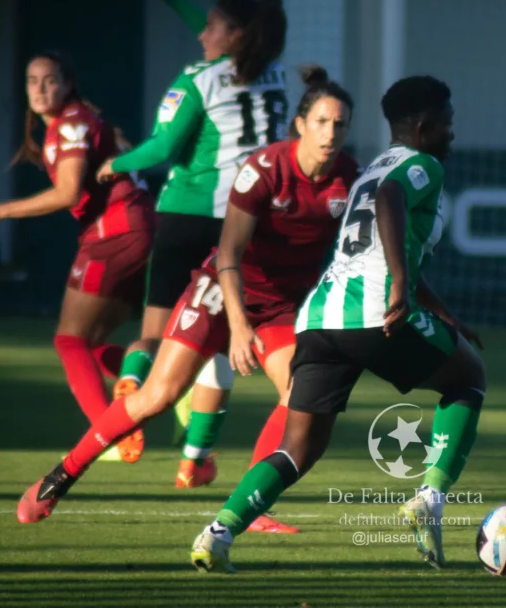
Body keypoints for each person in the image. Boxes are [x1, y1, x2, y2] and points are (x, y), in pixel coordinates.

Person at [15, 67, 360, 531]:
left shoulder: (350, 178)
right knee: (157, 396)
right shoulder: (264, 168)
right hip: (220, 289)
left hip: (278, 306)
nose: (330, 133)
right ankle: (59, 477)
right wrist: (239, 325)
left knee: (299, 395)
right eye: (321, 122)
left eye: (339, 124)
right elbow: (229, 253)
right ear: (300, 125)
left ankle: (249, 504)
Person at [189, 75, 486, 574]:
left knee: (298, 448)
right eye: (447, 123)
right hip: (376, 312)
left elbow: (387, 237)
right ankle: (430, 498)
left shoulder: (373, 167)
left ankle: (217, 535)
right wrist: (399, 286)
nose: (452, 133)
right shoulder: (421, 166)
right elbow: (391, 199)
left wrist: (438, 309)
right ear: (423, 125)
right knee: (468, 376)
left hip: (321, 318)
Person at [93, 0, 289, 464]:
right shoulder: (275, 76)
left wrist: (115, 163)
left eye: (211, 28)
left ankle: (131, 387)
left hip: (187, 216)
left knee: (154, 335)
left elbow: (163, 148)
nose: (201, 34)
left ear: (234, 36)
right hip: (242, 226)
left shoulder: (197, 81)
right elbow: (226, 36)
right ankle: (195, 459)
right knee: (217, 343)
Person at [0, 51, 155, 455]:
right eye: (32, 81)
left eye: (50, 80)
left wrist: (0, 211)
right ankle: (168, 381)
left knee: (69, 341)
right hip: (139, 229)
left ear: (68, 85)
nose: (40, 89)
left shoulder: (71, 125)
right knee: (93, 343)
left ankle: (109, 435)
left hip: (114, 233)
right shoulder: (79, 121)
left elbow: (67, 192)